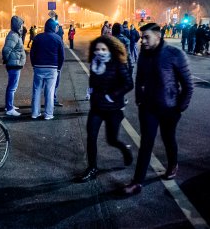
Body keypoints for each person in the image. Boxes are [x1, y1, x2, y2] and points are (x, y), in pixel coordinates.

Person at [122, 23, 193, 195]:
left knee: (169, 139)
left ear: (158, 36)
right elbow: (139, 79)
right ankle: (137, 182)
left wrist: (180, 108)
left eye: (146, 37)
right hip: (148, 108)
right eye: (141, 37)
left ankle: (172, 164)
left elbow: (188, 85)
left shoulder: (174, 54)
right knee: (146, 143)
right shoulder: (144, 54)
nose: (142, 41)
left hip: (170, 109)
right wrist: (139, 100)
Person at [75, 35, 134, 182]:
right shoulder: (95, 64)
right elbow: (93, 81)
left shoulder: (118, 64)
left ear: (110, 49)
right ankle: (92, 168)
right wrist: (91, 91)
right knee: (91, 137)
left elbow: (128, 84)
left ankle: (125, 149)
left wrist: (112, 95)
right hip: (96, 108)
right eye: (97, 49)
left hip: (114, 109)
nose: (100, 52)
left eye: (103, 49)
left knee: (112, 140)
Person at [30, 18, 65, 120]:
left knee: (36, 90)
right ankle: (48, 114)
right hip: (52, 68)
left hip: (38, 67)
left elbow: (32, 53)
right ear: (53, 27)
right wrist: (59, 68)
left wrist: (34, 65)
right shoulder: (58, 38)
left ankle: (35, 113)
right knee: (49, 91)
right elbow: (61, 56)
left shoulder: (37, 38)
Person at [2, 16, 26, 116]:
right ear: (17, 25)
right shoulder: (13, 36)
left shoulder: (15, 34)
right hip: (14, 65)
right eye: (21, 25)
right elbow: (6, 50)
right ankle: (9, 109)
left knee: (12, 87)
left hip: (15, 64)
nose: (22, 26)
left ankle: (9, 105)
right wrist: (8, 60)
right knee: (12, 87)